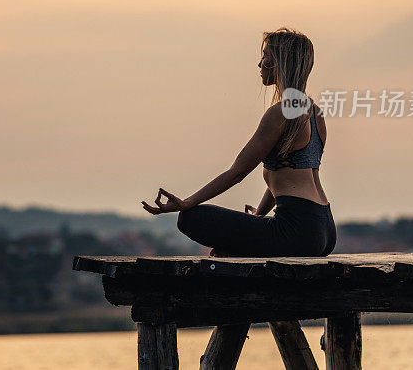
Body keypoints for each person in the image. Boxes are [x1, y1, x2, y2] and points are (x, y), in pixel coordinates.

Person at [141, 27, 336, 257]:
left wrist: (187, 202)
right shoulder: (315, 113)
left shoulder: (280, 113)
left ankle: (237, 250)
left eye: (265, 57)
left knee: (191, 218)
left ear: (279, 63)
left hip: (296, 232)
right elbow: (286, 177)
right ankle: (239, 249)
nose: (260, 64)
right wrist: (260, 215)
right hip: (324, 229)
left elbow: (237, 172)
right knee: (246, 228)